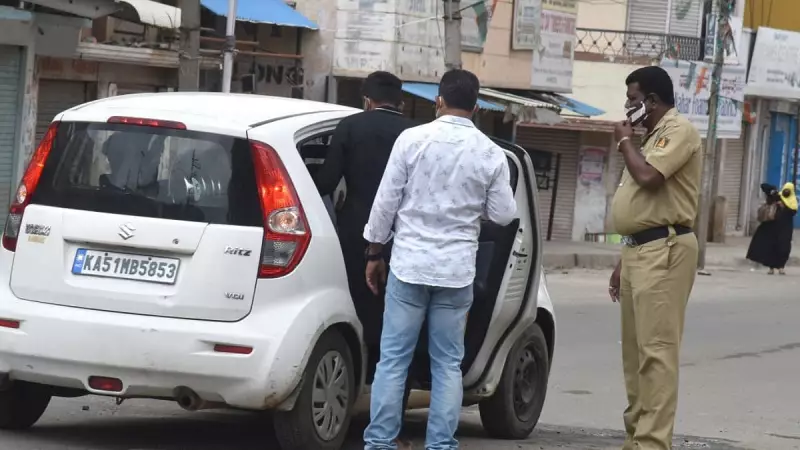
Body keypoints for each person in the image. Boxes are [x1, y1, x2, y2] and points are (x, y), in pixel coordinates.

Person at [360, 69, 517, 450]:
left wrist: (375, 251)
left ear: (439, 101)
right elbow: (504, 214)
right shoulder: (490, 153)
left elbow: (385, 203)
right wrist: (473, 210)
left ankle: (379, 442)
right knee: (447, 364)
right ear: (477, 107)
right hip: (456, 272)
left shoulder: (412, 140)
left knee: (393, 360)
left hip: (409, 267)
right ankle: (441, 445)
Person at [608, 66, 702, 450]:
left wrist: (623, 142)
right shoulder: (648, 138)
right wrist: (623, 257)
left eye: (632, 99)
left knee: (657, 355)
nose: (627, 106)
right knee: (634, 357)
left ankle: (652, 444)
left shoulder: (678, 131)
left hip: (665, 250)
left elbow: (649, 179)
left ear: (651, 100)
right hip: (639, 250)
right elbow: (641, 207)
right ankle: (636, 439)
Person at [313, 71, 418, 355]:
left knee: (358, 301)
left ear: (367, 101)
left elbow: (326, 182)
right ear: (400, 103)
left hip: (356, 229)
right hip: (405, 234)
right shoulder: (415, 134)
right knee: (397, 307)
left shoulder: (349, 127)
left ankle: (361, 360)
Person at [746, 182, 798, 275]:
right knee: (771, 246)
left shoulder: (793, 201)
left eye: (788, 190)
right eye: (785, 189)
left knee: (784, 247)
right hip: (773, 226)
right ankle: (771, 268)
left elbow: (793, 212)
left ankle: (781, 267)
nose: (786, 192)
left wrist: (784, 206)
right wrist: (774, 190)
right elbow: (763, 186)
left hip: (785, 228)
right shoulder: (778, 196)